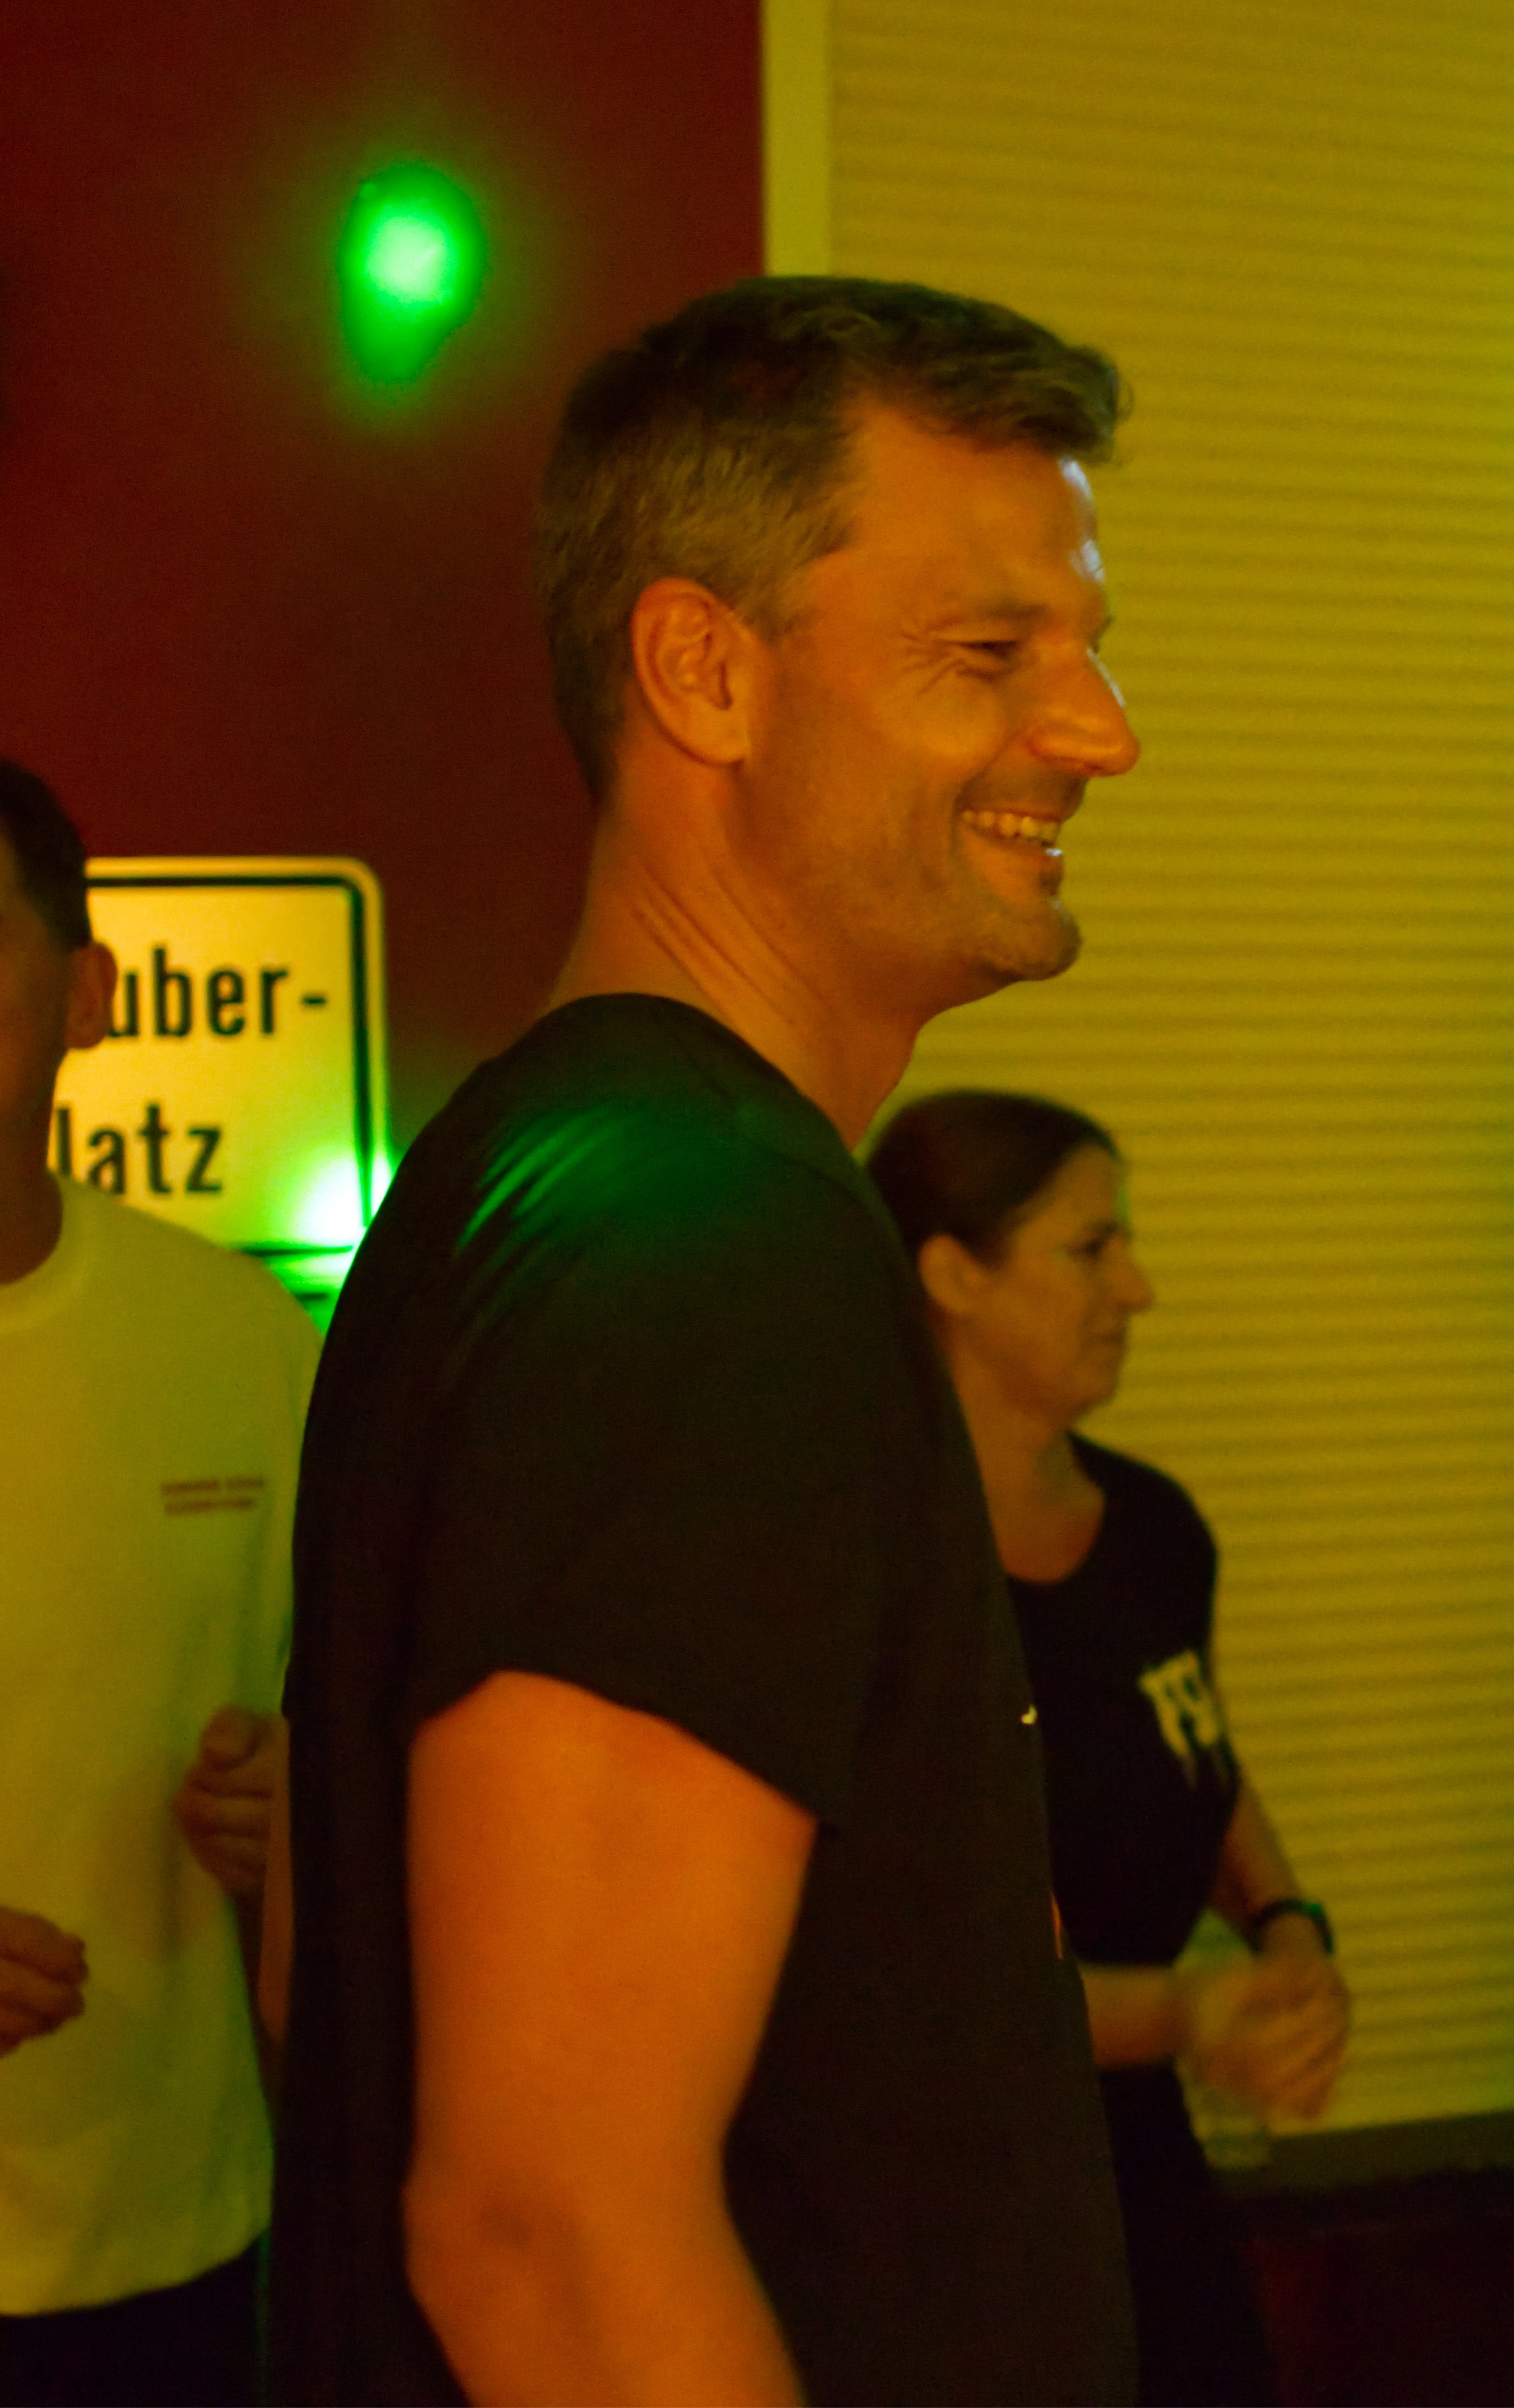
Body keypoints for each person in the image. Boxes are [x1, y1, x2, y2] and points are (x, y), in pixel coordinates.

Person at [271, 279, 1144, 2406]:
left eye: (1086, 648)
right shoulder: (699, 1246)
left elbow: (323, 1960)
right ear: (704, 672)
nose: (1097, 731)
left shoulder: (565, 1177)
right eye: (989, 652)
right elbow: (542, 2229)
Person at [866, 1090, 1349, 2405]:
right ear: (952, 1273)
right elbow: (909, 1974)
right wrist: (1182, 2010)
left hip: (1141, 2170)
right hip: (943, 2216)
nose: (1137, 1288)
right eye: (1093, 1248)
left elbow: (1192, 1745)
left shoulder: (1150, 1526)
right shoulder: (877, 1569)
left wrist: (1288, 1929)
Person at [0, 762, 314, 2406]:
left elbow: (352, 1722)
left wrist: (297, 1797)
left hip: (175, 2244)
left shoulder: (238, 1343)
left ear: (86, 995)